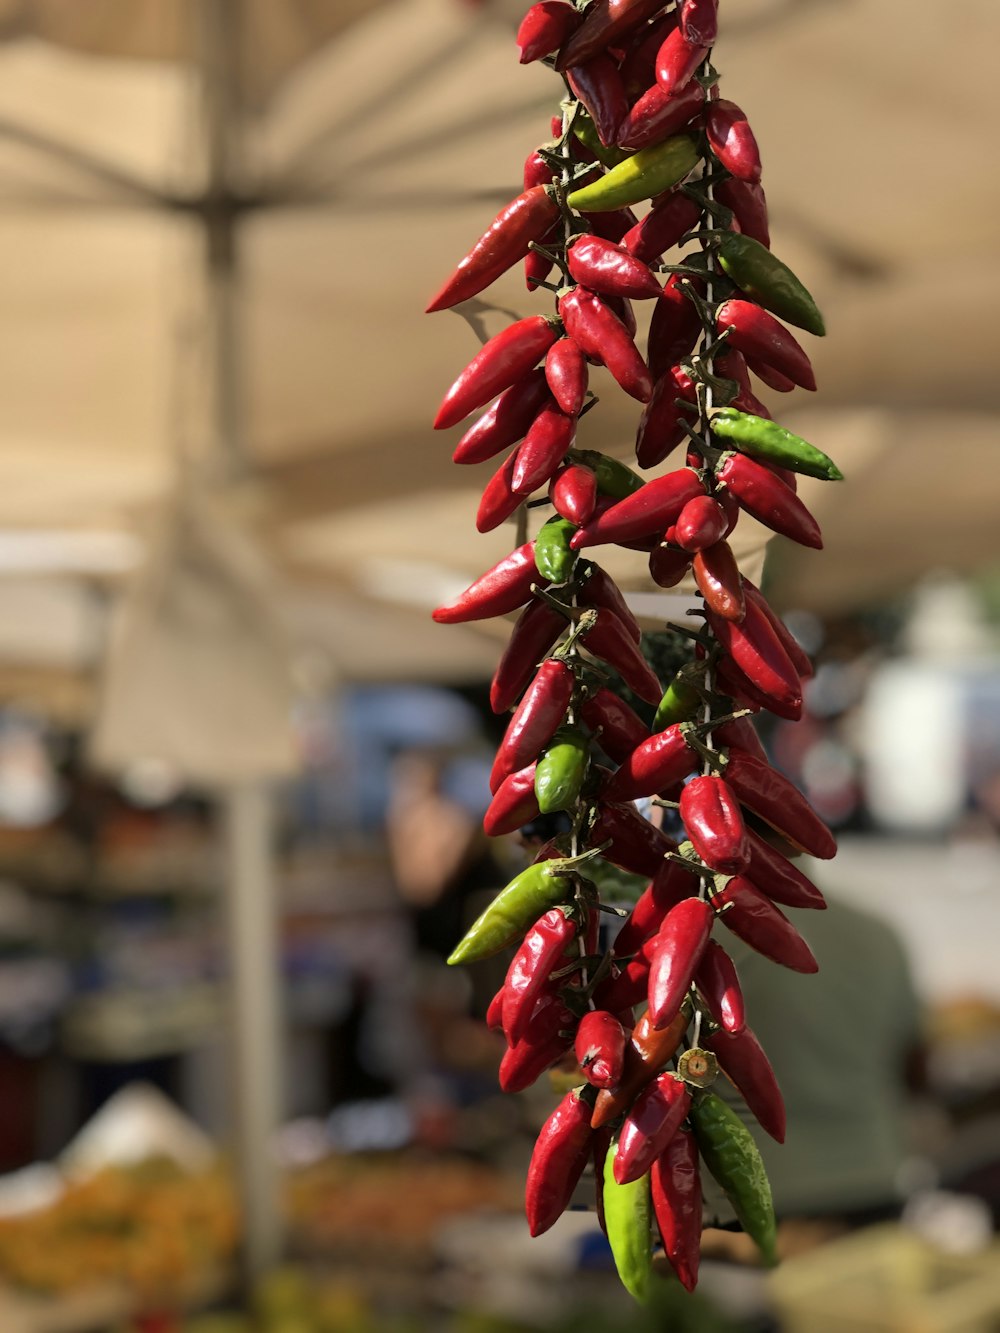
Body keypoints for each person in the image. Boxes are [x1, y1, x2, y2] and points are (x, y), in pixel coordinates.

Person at [706, 891, 926, 1229]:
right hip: (870, 1177)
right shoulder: (876, 931)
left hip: (746, 1186)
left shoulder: (705, 929)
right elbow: (914, 1066)